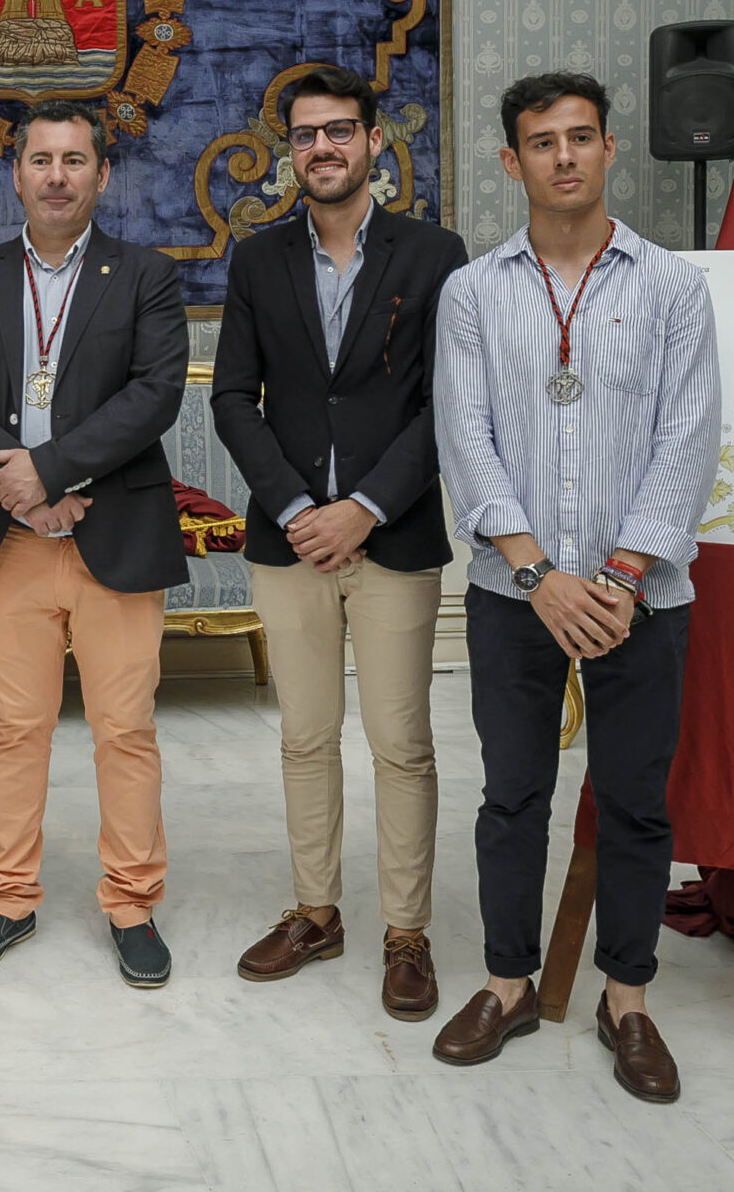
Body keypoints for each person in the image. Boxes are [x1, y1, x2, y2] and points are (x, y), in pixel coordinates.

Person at [431, 71, 719, 1104]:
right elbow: (465, 438)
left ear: (608, 150)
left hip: (641, 596)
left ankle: (625, 999)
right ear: (511, 162)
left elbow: (689, 437)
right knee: (512, 796)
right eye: (543, 141)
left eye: (582, 137)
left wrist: (621, 575)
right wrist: (539, 575)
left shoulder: (672, 286)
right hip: (514, 592)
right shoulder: (473, 292)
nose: (564, 156)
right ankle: (508, 984)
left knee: (634, 801)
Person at [211, 66, 469, 1022]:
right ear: (290, 152)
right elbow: (232, 397)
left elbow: (449, 402)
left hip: (393, 536)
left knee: (401, 743)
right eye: (306, 134)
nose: (323, 147)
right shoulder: (256, 259)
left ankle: (407, 932)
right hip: (289, 543)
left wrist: (363, 505)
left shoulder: (436, 254)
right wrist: (294, 507)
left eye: (340, 130)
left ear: (373, 142)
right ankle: (316, 913)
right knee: (305, 736)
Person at [0, 98, 189, 987]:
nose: (58, 176)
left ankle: (132, 903)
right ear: (16, 174)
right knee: (15, 728)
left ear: (102, 175)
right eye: (42, 160)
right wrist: (19, 488)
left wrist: (50, 471)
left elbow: (153, 394)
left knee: (125, 729)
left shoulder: (146, 275)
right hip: (7, 538)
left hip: (115, 532)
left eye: (75, 160)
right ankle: (7, 898)